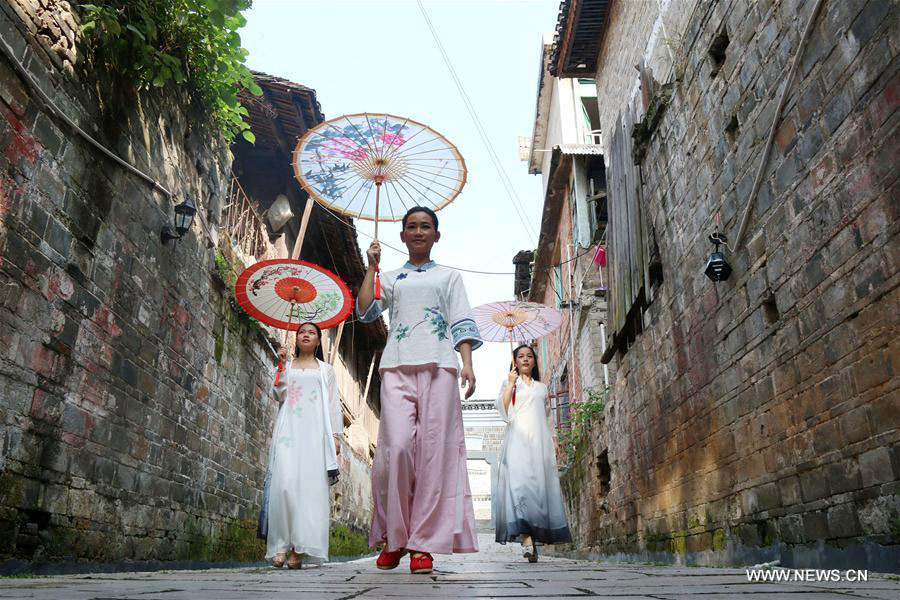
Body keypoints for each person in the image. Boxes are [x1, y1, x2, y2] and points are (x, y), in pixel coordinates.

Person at [356, 206, 482, 574]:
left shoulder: (449, 277)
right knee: (396, 450)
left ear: (436, 235)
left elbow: (461, 321)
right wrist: (371, 267)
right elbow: (365, 311)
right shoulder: (391, 277)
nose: (418, 231)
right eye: (411, 226)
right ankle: (394, 537)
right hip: (396, 365)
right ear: (403, 236)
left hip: (440, 367)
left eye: (425, 226)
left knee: (433, 455)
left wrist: (468, 364)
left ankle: (421, 545)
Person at [262, 322, 341, 569]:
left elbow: (332, 404)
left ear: (318, 341)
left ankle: (299, 549)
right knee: (284, 484)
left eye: (312, 333)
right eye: (302, 332)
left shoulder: (326, 370)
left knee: (309, 489)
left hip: (316, 433)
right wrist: (280, 366)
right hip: (289, 430)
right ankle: (280, 545)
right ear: (296, 339)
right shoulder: (287, 365)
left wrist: (335, 436)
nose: (306, 335)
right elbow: (278, 395)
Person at [493, 344, 572, 562]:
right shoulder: (511, 384)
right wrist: (510, 384)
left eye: (529, 356)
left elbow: (547, 417)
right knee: (520, 487)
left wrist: (554, 439)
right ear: (515, 361)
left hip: (540, 443)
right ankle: (526, 538)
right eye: (520, 356)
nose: (525, 359)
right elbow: (503, 409)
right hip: (517, 441)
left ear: (535, 361)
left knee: (538, 490)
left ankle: (533, 539)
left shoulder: (542, 388)